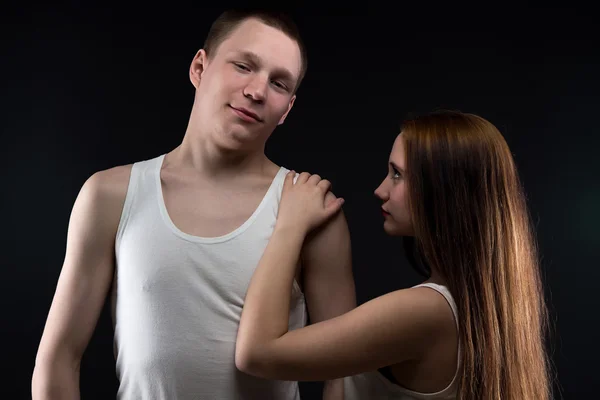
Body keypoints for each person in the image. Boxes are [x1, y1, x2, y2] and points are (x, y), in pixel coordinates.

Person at [31, 9, 356, 400]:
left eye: (278, 83)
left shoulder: (309, 209)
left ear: (287, 108)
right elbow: (59, 358)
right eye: (243, 66)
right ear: (200, 67)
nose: (257, 91)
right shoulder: (110, 195)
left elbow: (345, 374)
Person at [235, 110, 552, 399]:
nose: (380, 190)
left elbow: (257, 353)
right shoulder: (478, 307)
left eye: (397, 174)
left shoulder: (425, 311)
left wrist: (289, 224)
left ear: (442, 190)